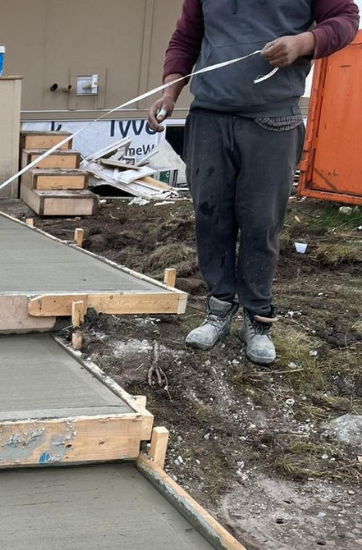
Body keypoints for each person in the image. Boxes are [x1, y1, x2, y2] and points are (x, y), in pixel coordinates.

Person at [149, 0, 359, 364]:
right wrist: (170, 93)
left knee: (261, 222)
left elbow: (346, 18)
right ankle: (218, 310)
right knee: (211, 217)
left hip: (273, 119)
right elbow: (186, 39)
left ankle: (258, 320)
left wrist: (303, 43)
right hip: (210, 117)